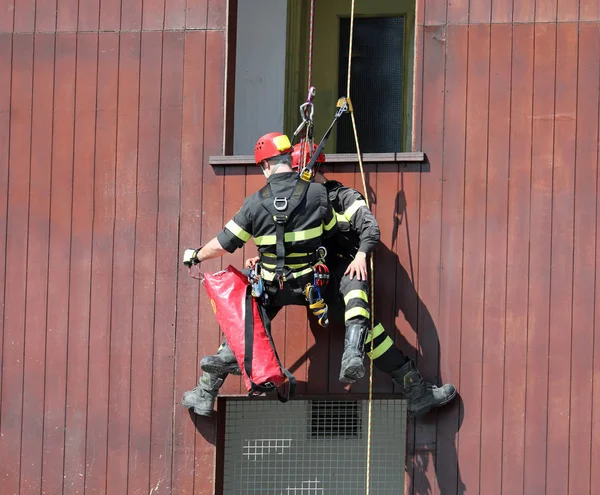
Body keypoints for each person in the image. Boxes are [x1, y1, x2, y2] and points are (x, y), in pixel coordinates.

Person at [191, 143, 457, 417]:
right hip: (302, 277)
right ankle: (205, 390)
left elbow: (368, 227)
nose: (294, 178)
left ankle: (413, 388)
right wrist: (267, 259)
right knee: (247, 314)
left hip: (336, 279)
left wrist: (361, 255)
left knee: (367, 327)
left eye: (299, 170)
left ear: (312, 168)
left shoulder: (339, 196)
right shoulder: (299, 198)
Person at [181, 133, 338, 416]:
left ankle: (209, 387)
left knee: (240, 309)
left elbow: (225, 242)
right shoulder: (317, 194)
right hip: (312, 287)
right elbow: (332, 231)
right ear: (288, 159)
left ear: (265, 165)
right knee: (244, 313)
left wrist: (195, 254)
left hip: (271, 287)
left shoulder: (254, 203)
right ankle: (206, 389)